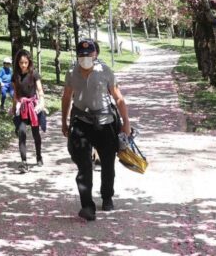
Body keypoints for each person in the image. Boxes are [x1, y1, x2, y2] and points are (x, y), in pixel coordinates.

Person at [60, 38, 130, 219]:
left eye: (89, 54)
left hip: (105, 122)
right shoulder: (71, 72)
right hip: (81, 123)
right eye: (82, 55)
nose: (85, 58)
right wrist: (64, 122)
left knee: (107, 163)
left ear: (95, 54)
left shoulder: (105, 71)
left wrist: (126, 123)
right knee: (83, 166)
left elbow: (118, 98)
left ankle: (107, 196)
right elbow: (66, 98)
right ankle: (87, 206)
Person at [11, 48, 46, 172]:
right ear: (18, 63)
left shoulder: (34, 74)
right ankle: (24, 162)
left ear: (29, 62)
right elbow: (15, 94)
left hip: (33, 107)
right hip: (22, 107)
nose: (23, 65)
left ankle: (39, 156)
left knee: (36, 134)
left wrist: (41, 104)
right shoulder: (15, 76)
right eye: (21, 63)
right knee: (21, 133)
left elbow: (40, 91)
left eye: (25, 62)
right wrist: (13, 107)